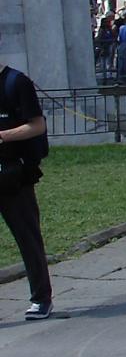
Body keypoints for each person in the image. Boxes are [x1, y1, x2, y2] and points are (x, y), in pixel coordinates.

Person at [1, 58, 53, 319]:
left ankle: (41, 299)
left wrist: (3, 136)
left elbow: (37, 125)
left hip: (13, 176)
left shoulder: (16, 82)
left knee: (28, 238)